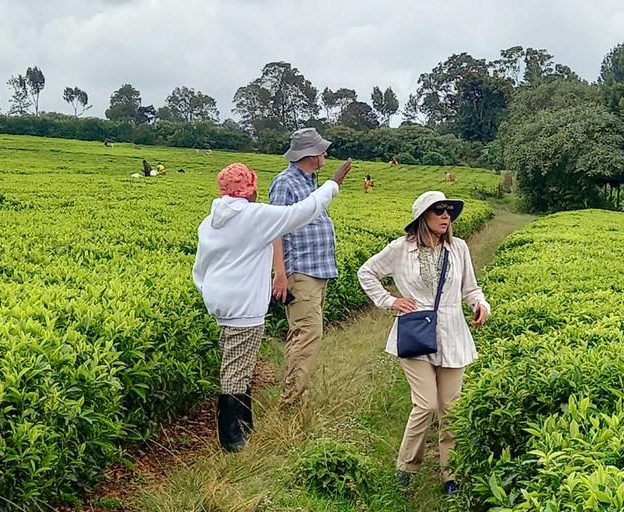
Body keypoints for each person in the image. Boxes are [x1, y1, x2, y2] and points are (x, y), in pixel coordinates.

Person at [193, 159, 352, 452]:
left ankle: (244, 423)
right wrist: (332, 184)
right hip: (244, 305)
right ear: (250, 190)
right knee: (236, 368)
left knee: (239, 360)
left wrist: (211, 293)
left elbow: (200, 268)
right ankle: (231, 439)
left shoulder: (210, 221)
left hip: (220, 302)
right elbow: (300, 212)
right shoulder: (254, 216)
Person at [356, 191, 490, 496]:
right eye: (438, 211)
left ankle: (450, 475)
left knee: (450, 409)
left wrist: (480, 305)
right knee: (425, 404)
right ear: (422, 218)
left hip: (453, 336)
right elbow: (367, 273)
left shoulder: (459, 249)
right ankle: (405, 467)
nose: (446, 216)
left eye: (448, 212)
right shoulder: (401, 249)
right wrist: (390, 301)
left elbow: (471, 289)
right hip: (416, 335)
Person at [270, 127, 342, 408]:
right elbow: (274, 229)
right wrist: (280, 274)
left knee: (306, 333)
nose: (325, 153)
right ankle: (290, 400)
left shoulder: (311, 181)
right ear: (310, 155)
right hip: (300, 271)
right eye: (321, 149)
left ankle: (296, 392)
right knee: (307, 333)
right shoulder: (285, 182)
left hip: (317, 271)